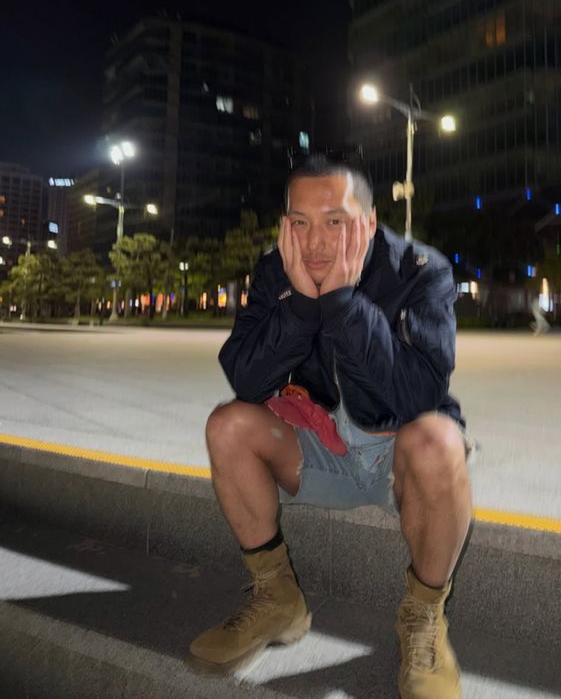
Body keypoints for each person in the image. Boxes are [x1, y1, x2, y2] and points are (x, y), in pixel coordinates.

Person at [189, 152, 472, 699]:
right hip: (320, 448)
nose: (315, 242)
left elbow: (419, 395)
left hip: (399, 455)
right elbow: (244, 377)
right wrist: (299, 305)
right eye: (300, 222)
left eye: (334, 221)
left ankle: (423, 618)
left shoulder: (420, 270)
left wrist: (343, 303)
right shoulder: (276, 271)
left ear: (369, 221)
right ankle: (277, 600)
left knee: (439, 438)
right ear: (285, 224)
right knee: (227, 426)